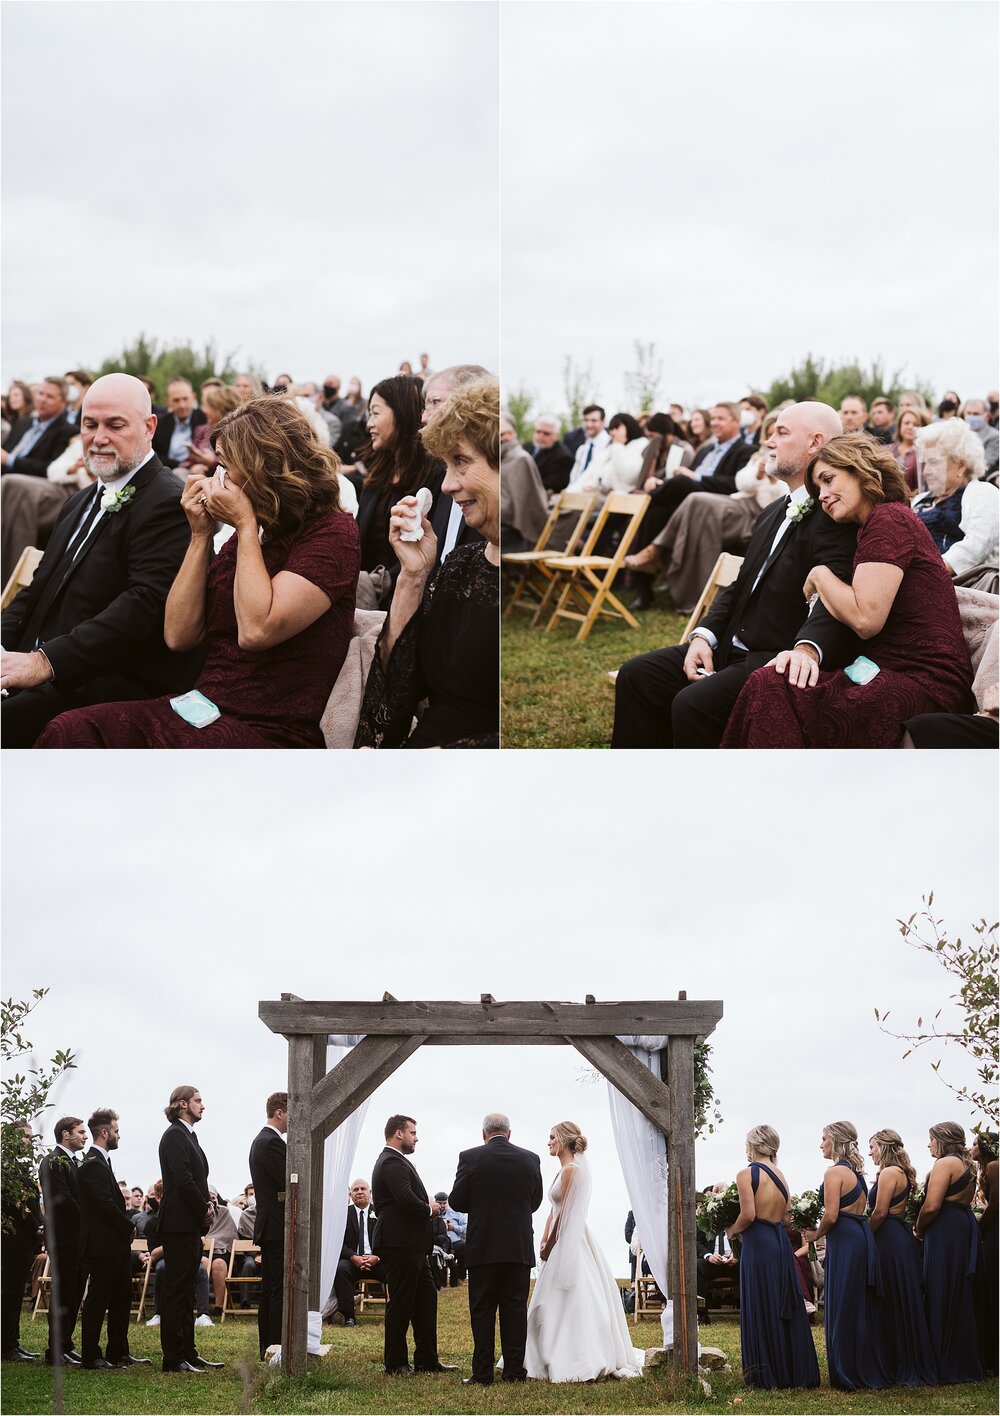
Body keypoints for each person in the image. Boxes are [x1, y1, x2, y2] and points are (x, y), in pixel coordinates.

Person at [36, 395, 360, 747]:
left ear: (263, 467)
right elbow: (179, 635)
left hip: (270, 728)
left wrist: (245, 524)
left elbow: (256, 630)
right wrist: (200, 535)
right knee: (71, 729)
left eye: (227, 465)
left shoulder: (332, 532)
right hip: (204, 708)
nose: (217, 477)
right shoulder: (252, 534)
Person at [612, 401, 855, 748]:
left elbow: (834, 598)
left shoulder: (834, 514)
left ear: (815, 442)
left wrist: (808, 649)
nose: (769, 441)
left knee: (691, 704)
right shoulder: (772, 512)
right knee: (638, 676)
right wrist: (703, 636)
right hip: (728, 647)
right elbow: (740, 584)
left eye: (781, 433)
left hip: (773, 657)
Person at [723, 432, 976, 747]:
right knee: (771, 679)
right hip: (879, 668)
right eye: (817, 489)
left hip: (924, 680)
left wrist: (819, 574)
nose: (823, 495)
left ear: (861, 470)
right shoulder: (875, 525)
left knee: (772, 683)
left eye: (829, 480)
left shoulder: (889, 520)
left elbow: (865, 619)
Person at [1, 373, 200, 747]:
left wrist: (44, 662)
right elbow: (36, 590)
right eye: (90, 424)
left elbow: (143, 608)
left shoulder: (168, 502)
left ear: (149, 426)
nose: (99, 437)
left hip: (99, 680)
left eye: (115, 425)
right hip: (35, 668)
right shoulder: (79, 501)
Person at [355, 375, 499, 748]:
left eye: (461, 462)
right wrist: (413, 575)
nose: (448, 485)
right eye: (445, 466)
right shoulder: (459, 566)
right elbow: (394, 694)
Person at [525, 1121, 645, 1383]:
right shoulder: (560, 1171)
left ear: (564, 1140)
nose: (548, 1142)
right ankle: (539, 1354)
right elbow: (553, 1210)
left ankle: (575, 1357)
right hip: (558, 1237)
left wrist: (552, 1242)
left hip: (570, 1238)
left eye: (552, 1136)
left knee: (573, 1296)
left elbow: (565, 1214)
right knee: (547, 1300)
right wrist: (544, 1238)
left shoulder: (571, 1170)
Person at [448, 1112, 543, 1386]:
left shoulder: (470, 1157)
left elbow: (457, 1200)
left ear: (484, 1135)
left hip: (484, 1245)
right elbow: (534, 1202)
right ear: (509, 1133)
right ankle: (514, 1372)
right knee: (515, 1308)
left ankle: (483, 1373)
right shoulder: (530, 1159)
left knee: (482, 1309)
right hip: (517, 1245)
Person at [725, 1125, 819, 1389]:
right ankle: (791, 1369)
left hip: (758, 1244)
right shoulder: (780, 1175)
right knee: (781, 1302)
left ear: (754, 1145)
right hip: (779, 1244)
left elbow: (748, 1215)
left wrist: (731, 1230)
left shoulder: (747, 1174)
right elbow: (787, 1216)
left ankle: (766, 1371)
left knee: (761, 1302)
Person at [370, 1115, 455, 1376]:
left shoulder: (398, 1162)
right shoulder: (391, 1162)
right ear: (398, 1134)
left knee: (426, 1301)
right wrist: (430, 1209)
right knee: (402, 1302)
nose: (416, 1138)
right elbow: (405, 1199)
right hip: (399, 1243)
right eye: (413, 1132)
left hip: (414, 1246)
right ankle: (395, 1363)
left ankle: (427, 1359)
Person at [812, 1121, 888, 1390]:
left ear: (835, 1141)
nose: (821, 1144)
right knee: (857, 1304)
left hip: (844, 1239)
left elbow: (831, 1215)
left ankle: (846, 1371)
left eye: (824, 1138)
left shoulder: (834, 1173)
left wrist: (815, 1234)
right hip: (859, 1237)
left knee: (843, 1303)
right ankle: (862, 1364)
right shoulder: (857, 1174)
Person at [356, 374, 444, 597]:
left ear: (403, 414)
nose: (369, 423)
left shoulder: (438, 478)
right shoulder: (378, 474)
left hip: (407, 594)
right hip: (365, 593)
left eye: (375, 413)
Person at [77, 1108, 148, 1370]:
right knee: (98, 1300)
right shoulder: (92, 1163)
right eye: (116, 1131)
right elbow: (104, 1204)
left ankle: (118, 1351)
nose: (119, 1135)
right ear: (104, 1132)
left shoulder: (102, 1160)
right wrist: (128, 1226)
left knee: (121, 1298)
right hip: (102, 1245)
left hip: (114, 1245)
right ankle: (91, 1355)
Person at [157, 1086, 221, 1375]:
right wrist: (203, 1209)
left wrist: (207, 1203)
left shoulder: (189, 1136)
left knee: (186, 1290)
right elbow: (182, 1180)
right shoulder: (174, 1136)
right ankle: (173, 1358)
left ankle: (188, 1352)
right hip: (178, 1224)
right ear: (182, 1104)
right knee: (176, 1291)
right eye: (198, 1101)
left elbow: (197, 1178)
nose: (202, 1106)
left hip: (189, 1224)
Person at [913, 1121, 984, 1383]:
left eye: (931, 1139)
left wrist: (919, 1228)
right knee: (960, 1290)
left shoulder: (944, 1164)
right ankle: (962, 1358)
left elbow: (932, 1206)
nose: (929, 1144)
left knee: (940, 1288)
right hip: (963, 1227)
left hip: (944, 1230)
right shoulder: (968, 1165)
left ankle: (943, 1360)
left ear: (942, 1140)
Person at [867, 1128, 937, 1386]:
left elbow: (880, 1213)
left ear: (883, 1147)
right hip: (897, 1237)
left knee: (891, 1298)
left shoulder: (888, 1173)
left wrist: (865, 1236)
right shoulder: (899, 1173)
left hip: (889, 1239)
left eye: (872, 1146)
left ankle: (895, 1361)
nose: (870, 1152)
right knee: (898, 1298)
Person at [912, 418, 999, 578]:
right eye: (925, 464)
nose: (925, 472)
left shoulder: (984, 493)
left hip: (961, 589)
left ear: (960, 466)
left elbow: (976, 547)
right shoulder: (920, 500)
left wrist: (926, 574)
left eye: (933, 462)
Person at [38, 1116, 87, 1366]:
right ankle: (55, 1349)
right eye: (80, 1132)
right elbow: (64, 1199)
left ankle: (66, 1344)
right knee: (63, 1292)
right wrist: (89, 1218)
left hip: (76, 1237)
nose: (85, 1136)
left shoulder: (75, 1162)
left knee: (74, 1292)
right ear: (65, 1135)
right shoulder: (53, 1161)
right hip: (63, 1237)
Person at [248, 1092, 288, 1359]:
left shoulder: (262, 1141)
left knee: (270, 1289)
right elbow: (287, 1180)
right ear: (280, 1112)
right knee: (276, 1290)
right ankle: (273, 1345)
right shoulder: (270, 1143)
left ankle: (269, 1345)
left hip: (270, 1224)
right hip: (276, 1225)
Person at [0, 1121, 42, 1364]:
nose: (29, 1141)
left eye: (30, 1137)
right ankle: (7, 1346)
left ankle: (12, 1342)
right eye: (25, 1137)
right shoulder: (7, 1170)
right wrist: (37, 1226)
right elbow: (19, 1208)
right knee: (10, 1293)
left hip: (23, 1242)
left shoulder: (20, 1168)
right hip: (12, 1242)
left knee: (15, 1294)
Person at [330, 1179, 385, 1326]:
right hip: (352, 1262)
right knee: (340, 1269)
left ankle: (397, 1312)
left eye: (363, 1189)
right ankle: (349, 1316)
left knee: (396, 1270)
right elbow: (337, 1242)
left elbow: (389, 1239)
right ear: (351, 1194)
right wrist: (353, 1257)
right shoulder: (343, 1215)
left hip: (377, 1260)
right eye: (355, 1190)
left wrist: (377, 1257)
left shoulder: (380, 1212)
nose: (359, 1192)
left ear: (370, 1192)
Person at [1, 376, 73, 477]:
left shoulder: (68, 431)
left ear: (64, 403)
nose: (42, 400)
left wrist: (9, 460)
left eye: (49, 396)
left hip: (25, 482)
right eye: (40, 393)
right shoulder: (22, 423)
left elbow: (49, 468)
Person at [972, 1131, 998, 1376]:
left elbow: (997, 1203)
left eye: (975, 1143)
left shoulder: (994, 1166)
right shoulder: (985, 1168)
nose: (972, 1148)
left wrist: (979, 1227)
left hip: (994, 1232)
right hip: (991, 1231)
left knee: (993, 1287)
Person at [152, 378, 207, 470]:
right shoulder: (159, 423)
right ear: (167, 401)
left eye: (185, 399)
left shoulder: (204, 419)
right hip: (166, 471)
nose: (182, 405)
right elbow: (154, 454)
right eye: (176, 400)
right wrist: (180, 465)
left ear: (193, 397)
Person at [892, 407, 927, 492]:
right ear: (900, 426)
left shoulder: (926, 453)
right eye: (906, 423)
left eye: (916, 424)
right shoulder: (887, 449)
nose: (911, 427)